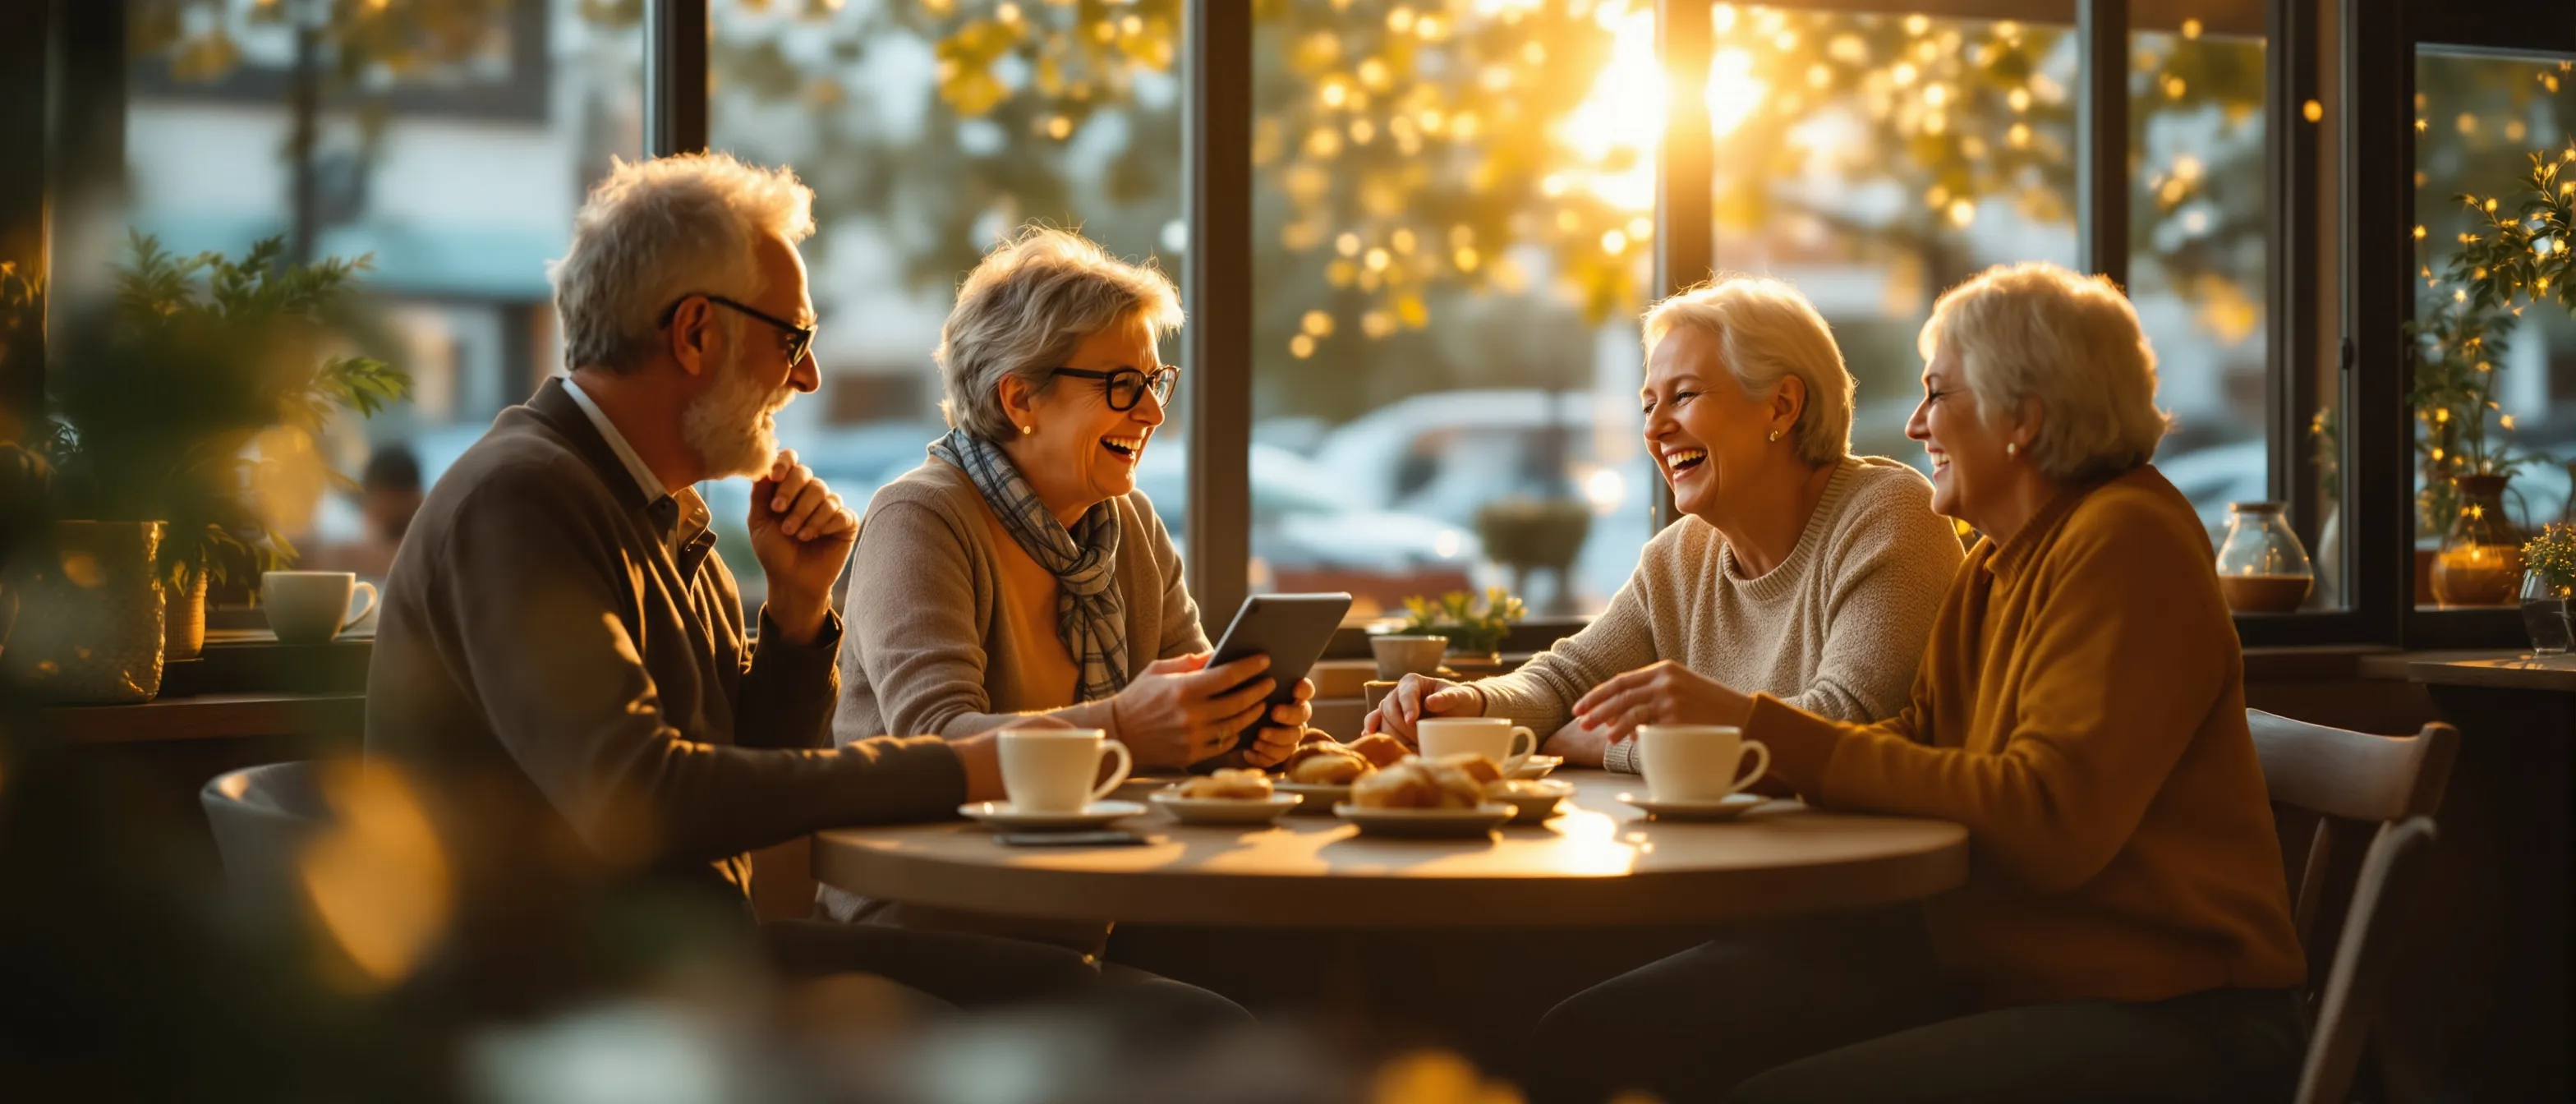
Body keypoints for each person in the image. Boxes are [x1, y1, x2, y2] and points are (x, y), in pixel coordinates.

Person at [363, 153, 1233, 1020]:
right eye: (794, 340)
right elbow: (641, 799)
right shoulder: (522, 497)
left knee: (1180, 1010)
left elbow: (731, 765)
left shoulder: (645, 505)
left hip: (679, 959)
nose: (807, 378)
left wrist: (793, 612)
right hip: (577, 996)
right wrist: (969, 759)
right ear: (697, 332)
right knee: (1179, 1026)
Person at [1525, 262, 2306, 1104]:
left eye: (1938, 394)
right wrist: (1751, 735)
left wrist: (1756, 730)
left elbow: (2049, 819)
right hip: (1994, 964)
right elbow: (1915, 736)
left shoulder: (2127, 542)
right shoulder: (2000, 559)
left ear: (2023, 419)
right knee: (1591, 1039)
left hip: (2176, 1011)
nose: (1914, 422)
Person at [825, 228, 1317, 937]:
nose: (1151, 412)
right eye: (1123, 385)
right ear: (1021, 398)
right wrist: (1123, 730)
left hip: (1098, 908)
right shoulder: (922, 515)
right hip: (941, 926)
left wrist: (1241, 728)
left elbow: (1185, 704)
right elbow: (932, 745)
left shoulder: (1130, 523)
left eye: (1155, 382)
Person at [1363, 277, 1961, 771]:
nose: (1653, 430)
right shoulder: (1680, 557)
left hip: (1851, 888)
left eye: (1684, 395)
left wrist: (1613, 749)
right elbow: (1567, 680)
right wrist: (1466, 701)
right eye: (1650, 404)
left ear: (1781, 406)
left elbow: (1847, 728)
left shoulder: (1889, 515)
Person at [301, 444, 423, 579]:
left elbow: (396, 561)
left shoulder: (424, 550)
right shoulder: (370, 540)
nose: (369, 510)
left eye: (375, 499)